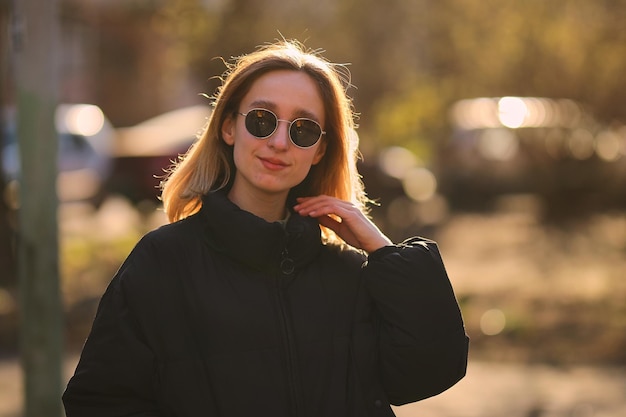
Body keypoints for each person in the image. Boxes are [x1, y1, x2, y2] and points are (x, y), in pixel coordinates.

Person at [62, 39, 469, 417]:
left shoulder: (349, 274)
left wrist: (383, 251)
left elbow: (431, 369)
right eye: (261, 119)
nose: (279, 141)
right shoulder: (162, 263)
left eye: (303, 128)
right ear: (228, 127)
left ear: (320, 151)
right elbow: (100, 402)